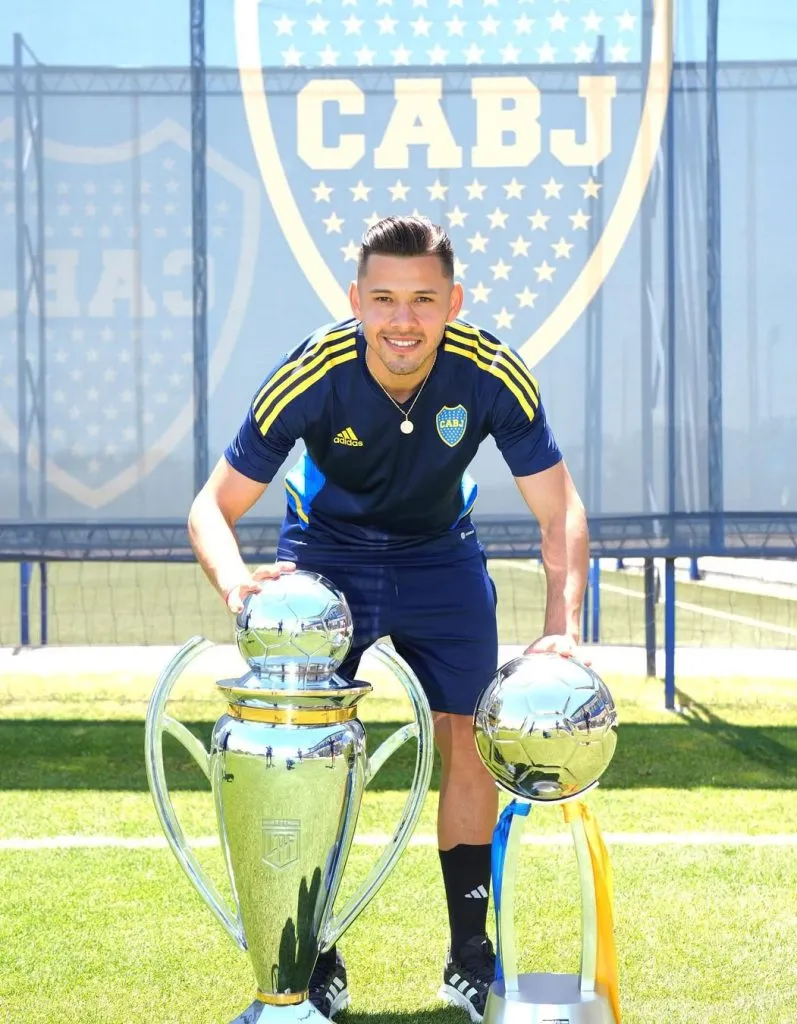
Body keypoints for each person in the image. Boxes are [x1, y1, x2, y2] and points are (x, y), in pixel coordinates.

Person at [187, 215, 589, 1022]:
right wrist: (238, 588)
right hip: (326, 556)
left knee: (469, 747)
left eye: (421, 300)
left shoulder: (491, 372)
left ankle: (470, 959)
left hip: (440, 557)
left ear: (452, 303)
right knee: (312, 761)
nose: (402, 320)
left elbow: (560, 509)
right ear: (355, 301)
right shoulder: (311, 371)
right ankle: (312, 958)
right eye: (383, 300)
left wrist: (562, 624)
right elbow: (211, 507)